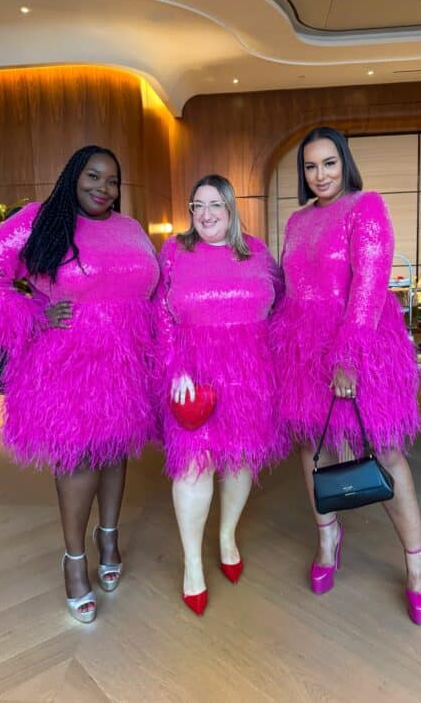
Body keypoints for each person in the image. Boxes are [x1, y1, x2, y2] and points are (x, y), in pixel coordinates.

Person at [0, 145, 159, 624]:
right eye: (93, 176)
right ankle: (75, 561)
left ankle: (107, 537)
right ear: (73, 175)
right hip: (70, 361)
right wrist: (31, 313)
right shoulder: (42, 219)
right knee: (80, 458)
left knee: (115, 451)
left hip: (126, 361)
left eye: (113, 180)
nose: (103, 188)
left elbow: (153, 288)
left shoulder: (131, 229)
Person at [273, 126, 421, 625]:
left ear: (345, 162)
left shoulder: (367, 208)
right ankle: (328, 539)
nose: (320, 175)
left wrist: (348, 356)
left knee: (384, 448)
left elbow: (369, 283)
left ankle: (417, 566)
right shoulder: (297, 221)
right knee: (311, 445)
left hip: (357, 343)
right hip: (303, 348)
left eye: (329, 163)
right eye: (310, 166)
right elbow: (289, 287)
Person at [155, 174, 286, 616]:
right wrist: (176, 367)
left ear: (231, 208)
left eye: (215, 205)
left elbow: (281, 307)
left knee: (240, 459)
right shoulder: (175, 251)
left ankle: (227, 534)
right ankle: (193, 563)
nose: (205, 214)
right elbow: (161, 315)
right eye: (197, 205)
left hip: (249, 373)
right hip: (192, 374)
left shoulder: (257, 252)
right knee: (193, 466)